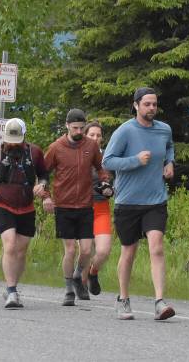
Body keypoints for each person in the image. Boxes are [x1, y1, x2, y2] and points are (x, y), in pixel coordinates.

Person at [103, 88, 176, 321]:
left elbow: (169, 146)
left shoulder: (164, 130)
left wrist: (169, 163)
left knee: (157, 246)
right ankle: (123, 299)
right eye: (147, 104)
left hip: (155, 200)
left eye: (154, 104)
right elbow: (108, 161)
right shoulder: (125, 131)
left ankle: (159, 301)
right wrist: (135, 160)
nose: (152, 108)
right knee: (129, 251)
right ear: (136, 105)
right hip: (128, 202)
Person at [0, 118, 50, 308]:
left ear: (24, 138)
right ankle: (11, 291)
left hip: (26, 206)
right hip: (1, 204)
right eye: (9, 140)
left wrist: (42, 186)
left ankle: (13, 285)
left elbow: (44, 174)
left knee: (21, 250)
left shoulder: (35, 152)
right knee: (10, 244)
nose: (12, 144)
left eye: (16, 141)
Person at [43, 108, 108, 306]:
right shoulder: (56, 147)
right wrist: (46, 197)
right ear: (67, 126)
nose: (79, 131)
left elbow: (100, 168)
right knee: (70, 250)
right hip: (63, 205)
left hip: (85, 204)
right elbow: (43, 173)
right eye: (75, 128)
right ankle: (69, 288)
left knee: (87, 251)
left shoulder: (91, 146)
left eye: (81, 127)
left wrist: (105, 183)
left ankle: (79, 275)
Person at [83, 121, 115, 297]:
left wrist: (110, 189)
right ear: (85, 135)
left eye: (98, 135)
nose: (95, 138)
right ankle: (78, 286)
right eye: (92, 135)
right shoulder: (78, 154)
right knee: (85, 251)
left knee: (102, 251)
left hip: (101, 207)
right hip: (81, 207)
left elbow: (114, 180)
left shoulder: (107, 158)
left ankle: (92, 273)